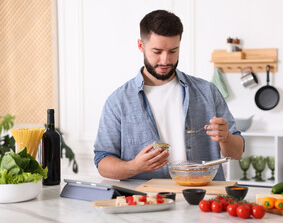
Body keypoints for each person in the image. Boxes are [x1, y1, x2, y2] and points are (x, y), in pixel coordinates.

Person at [94, 10, 244, 181]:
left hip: (203, 201)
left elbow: (237, 152)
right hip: (146, 201)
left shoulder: (207, 91)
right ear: (141, 46)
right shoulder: (118, 101)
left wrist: (226, 138)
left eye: (173, 51)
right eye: (157, 52)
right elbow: (102, 162)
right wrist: (134, 166)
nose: (165, 60)